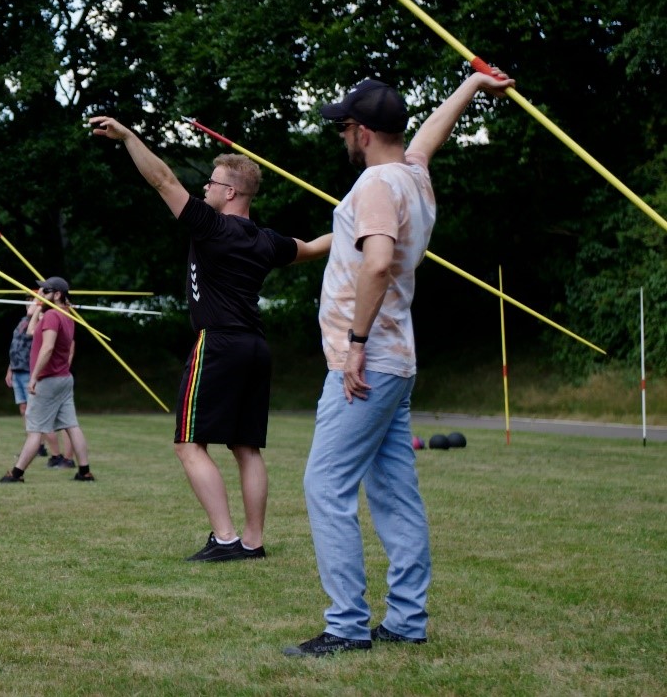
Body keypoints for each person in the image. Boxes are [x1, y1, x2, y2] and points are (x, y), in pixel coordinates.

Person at [284, 69, 514, 657]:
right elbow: (431, 137)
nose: (341, 135)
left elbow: (378, 262)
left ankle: (346, 627)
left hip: (368, 363)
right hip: (397, 361)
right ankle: (407, 621)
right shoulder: (411, 174)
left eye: (344, 127)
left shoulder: (379, 185)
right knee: (394, 492)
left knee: (325, 484)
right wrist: (470, 85)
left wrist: (356, 343)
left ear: (361, 131)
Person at [90, 116, 332, 562]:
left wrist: (127, 137)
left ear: (231, 193)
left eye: (212, 183)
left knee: (188, 444)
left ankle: (225, 540)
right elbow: (316, 247)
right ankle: (252, 542)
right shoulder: (267, 241)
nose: (204, 189)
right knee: (246, 447)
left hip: (218, 343)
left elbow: (162, 180)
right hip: (256, 348)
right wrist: (360, 226)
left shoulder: (212, 227)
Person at [0, 277, 94, 483]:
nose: (39, 293)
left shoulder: (52, 316)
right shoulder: (66, 315)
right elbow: (31, 332)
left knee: (34, 429)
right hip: (64, 379)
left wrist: (34, 377)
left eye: (45, 291)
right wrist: (38, 305)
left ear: (57, 294)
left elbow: (47, 347)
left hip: (48, 380)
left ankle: (16, 474)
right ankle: (84, 471)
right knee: (72, 425)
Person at [4, 298, 72, 468]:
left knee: (42, 416)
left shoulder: (45, 318)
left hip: (32, 371)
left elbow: (44, 345)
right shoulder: (23, 322)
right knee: (27, 412)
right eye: (27, 303)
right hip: (18, 370)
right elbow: (16, 346)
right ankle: (36, 447)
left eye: (33, 302)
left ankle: (55, 454)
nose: (29, 305)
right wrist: (10, 368)